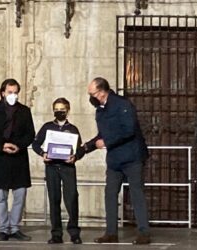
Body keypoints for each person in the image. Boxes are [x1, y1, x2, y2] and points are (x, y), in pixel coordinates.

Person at [83, 77, 151, 244]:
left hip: (132, 157)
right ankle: (111, 232)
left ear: (101, 92)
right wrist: (85, 148)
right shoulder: (100, 110)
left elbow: (129, 130)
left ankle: (143, 233)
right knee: (110, 194)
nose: (91, 97)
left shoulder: (122, 104)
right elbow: (102, 135)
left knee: (137, 194)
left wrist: (107, 142)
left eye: (92, 94)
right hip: (114, 159)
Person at [32, 97, 85, 244]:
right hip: (52, 167)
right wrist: (43, 154)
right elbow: (36, 143)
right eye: (56, 109)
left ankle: (74, 232)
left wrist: (75, 157)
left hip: (68, 167)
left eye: (62, 109)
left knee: (72, 199)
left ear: (67, 111)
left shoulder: (73, 129)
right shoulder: (47, 127)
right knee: (54, 199)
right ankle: (56, 234)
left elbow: (80, 149)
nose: (59, 112)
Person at [0, 79, 35, 241]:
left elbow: (30, 134)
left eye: (15, 92)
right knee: (1, 196)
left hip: (19, 158)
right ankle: (2, 228)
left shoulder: (24, 111)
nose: (13, 95)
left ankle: (15, 228)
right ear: (3, 93)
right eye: (10, 92)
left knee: (19, 195)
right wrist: (2, 146)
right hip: (0, 157)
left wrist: (19, 146)